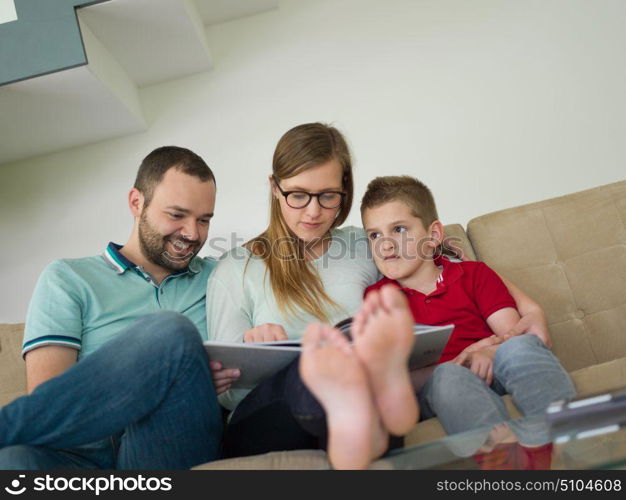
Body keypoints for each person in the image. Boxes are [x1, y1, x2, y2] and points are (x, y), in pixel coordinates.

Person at [205, 123, 558, 463]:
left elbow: (452, 267)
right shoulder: (235, 269)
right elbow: (226, 392)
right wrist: (256, 347)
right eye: (297, 195)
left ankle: (365, 425)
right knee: (321, 365)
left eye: (327, 196)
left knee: (361, 371)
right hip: (271, 414)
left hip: (363, 396)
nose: (313, 212)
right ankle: (363, 409)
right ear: (274, 187)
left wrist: (528, 311)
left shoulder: (367, 243)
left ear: (344, 190)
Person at [0, 146, 234, 469]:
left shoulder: (222, 277)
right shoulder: (68, 279)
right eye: (177, 215)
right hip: (84, 459)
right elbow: (50, 399)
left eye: (204, 220)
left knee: (171, 332)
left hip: (169, 447)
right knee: (13, 460)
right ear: (136, 203)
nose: (193, 234)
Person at [359, 175, 576, 436]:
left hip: (495, 367)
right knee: (449, 378)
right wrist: (459, 364)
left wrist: (488, 354)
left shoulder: (474, 274)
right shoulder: (377, 300)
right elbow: (396, 378)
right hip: (440, 383)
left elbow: (511, 334)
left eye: (399, 229)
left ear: (433, 234)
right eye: (374, 235)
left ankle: (570, 436)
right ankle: (502, 459)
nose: (385, 244)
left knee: (522, 346)